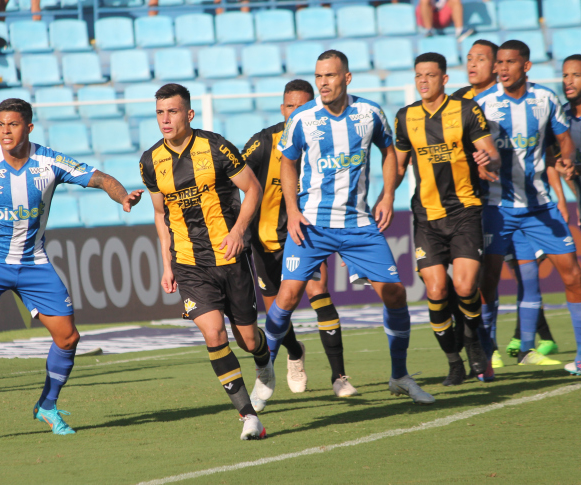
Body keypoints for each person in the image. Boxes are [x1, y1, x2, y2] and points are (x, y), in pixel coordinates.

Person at [0, 98, 143, 435]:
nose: (6, 131)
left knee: (68, 337)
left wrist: (121, 197)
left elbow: (100, 177)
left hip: (33, 261)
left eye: (13, 124)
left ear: (29, 127)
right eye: (1, 124)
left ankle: (47, 405)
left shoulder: (49, 162)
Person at [263, 50, 435, 408]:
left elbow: (389, 151)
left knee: (395, 294)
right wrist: (292, 210)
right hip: (313, 223)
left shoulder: (369, 113)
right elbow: (287, 163)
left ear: (347, 77)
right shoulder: (303, 119)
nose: (323, 83)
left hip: (358, 223)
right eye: (318, 76)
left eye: (330, 75)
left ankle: (399, 376)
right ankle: (265, 375)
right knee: (289, 297)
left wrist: (388, 195)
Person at [140, 83, 268, 440]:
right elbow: (159, 214)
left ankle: (263, 359)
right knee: (213, 333)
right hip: (188, 263)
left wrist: (240, 230)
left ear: (189, 114)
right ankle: (248, 416)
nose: (165, 119)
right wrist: (166, 264)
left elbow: (253, 188)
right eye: (160, 113)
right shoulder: (150, 161)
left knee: (246, 338)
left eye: (173, 112)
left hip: (229, 257)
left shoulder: (215, 147)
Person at [241, 79, 357, 404]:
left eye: (304, 105)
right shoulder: (264, 141)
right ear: (283, 109)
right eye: (291, 106)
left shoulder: (327, 139)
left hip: (306, 233)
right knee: (279, 312)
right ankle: (295, 352)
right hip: (264, 241)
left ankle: (339, 376)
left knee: (318, 292)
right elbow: (235, 173)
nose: (297, 112)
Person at [475, 40, 581, 375]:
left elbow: (563, 137)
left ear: (526, 66)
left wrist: (566, 157)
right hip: (497, 206)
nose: (502, 69)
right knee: (489, 279)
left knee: (574, 275)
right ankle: (486, 354)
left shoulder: (545, 99)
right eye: (499, 63)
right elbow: (469, 147)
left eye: (510, 62)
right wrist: (479, 162)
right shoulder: (483, 104)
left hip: (540, 206)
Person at [394, 52, 499, 386]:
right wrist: (382, 199)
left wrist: (489, 159)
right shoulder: (405, 117)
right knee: (437, 291)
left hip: (465, 210)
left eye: (430, 75)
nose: (423, 82)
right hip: (426, 217)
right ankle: (454, 361)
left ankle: (471, 341)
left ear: (444, 79)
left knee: (466, 286)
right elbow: (397, 166)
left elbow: (491, 153)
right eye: (418, 76)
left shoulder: (466, 110)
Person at [561, 54, 581, 376]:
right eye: (565, 75)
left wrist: (576, 168)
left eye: (576, 75)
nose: (568, 81)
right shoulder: (563, 117)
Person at [502, 231, 559, 362]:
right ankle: (546, 339)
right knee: (523, 284)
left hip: (530, 226)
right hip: (508, 224)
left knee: (527, 282)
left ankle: (521, 337)